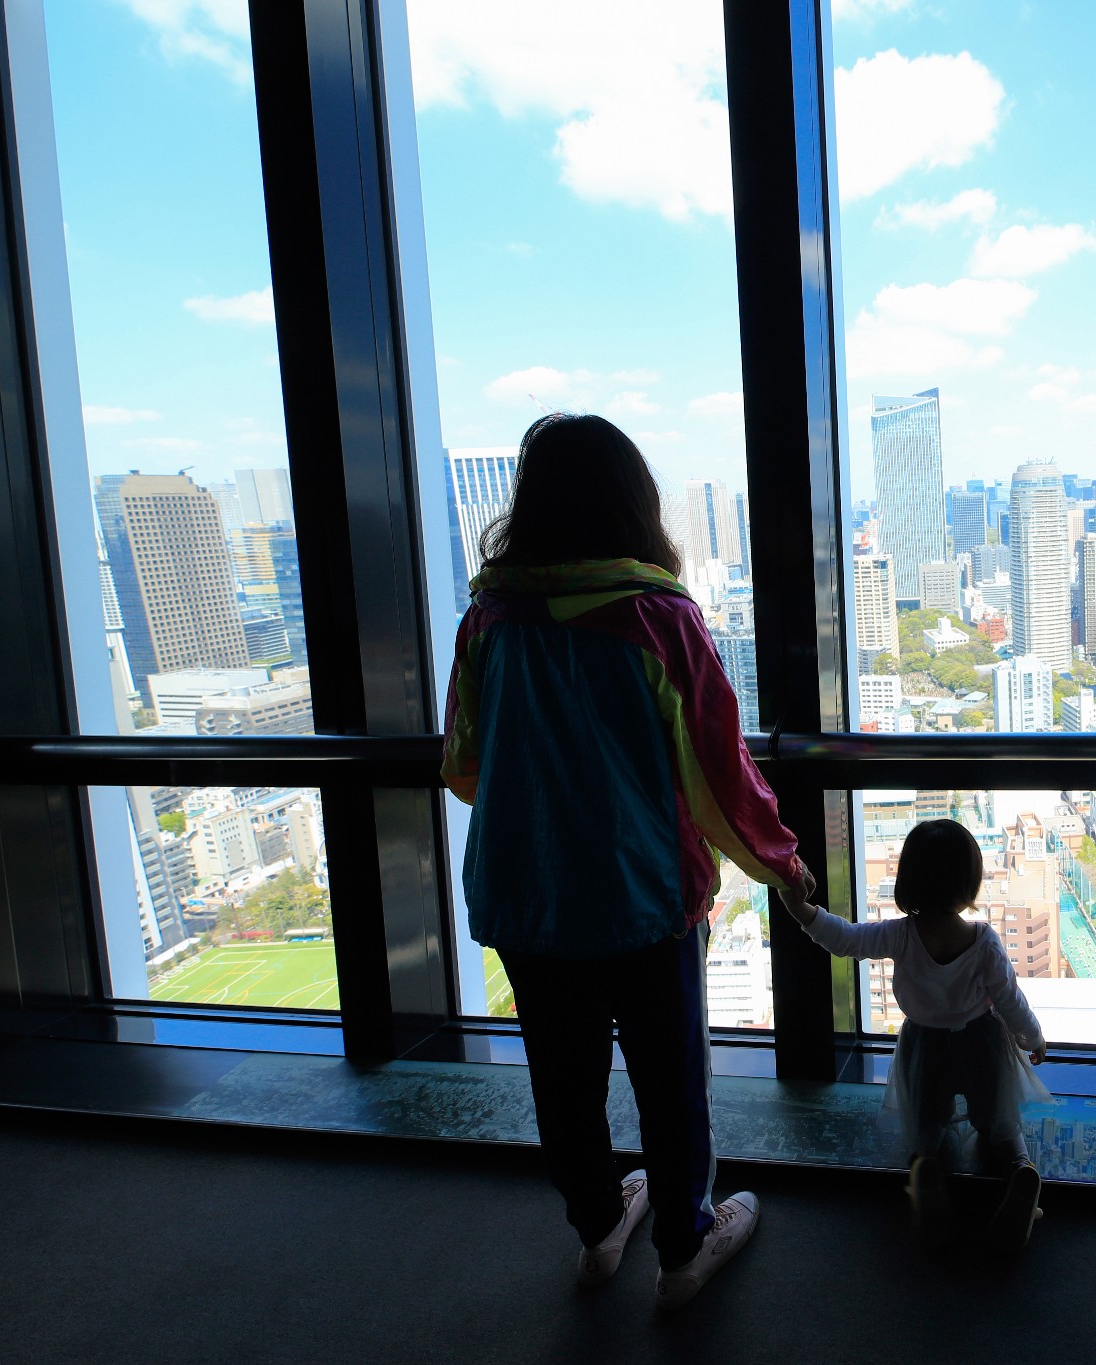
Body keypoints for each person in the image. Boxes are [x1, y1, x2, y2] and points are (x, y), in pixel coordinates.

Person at [440, 413, 812, 1310]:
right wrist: (783, 863)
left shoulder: (489, 619)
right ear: (634, 504)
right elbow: (720, 772)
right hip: (642, 896)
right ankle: (685, 1244)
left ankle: (598, 1225)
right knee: (670, 1079)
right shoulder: (658, 616)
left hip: (528, 896)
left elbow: (462, 766)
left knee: (562, 1080)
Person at [778, 819, 1049, 1249]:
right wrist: (1032, 1038)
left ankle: (925, 1167)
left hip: (925, 1045)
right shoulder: (985, 942)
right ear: (969, 882)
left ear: (909, 881)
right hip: (981, 1042)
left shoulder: (900, 935)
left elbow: (845, 940)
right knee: (998, 1119)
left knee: (928, 1120)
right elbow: (1010, 999)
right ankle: (1019, 1168)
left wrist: (802, 912)